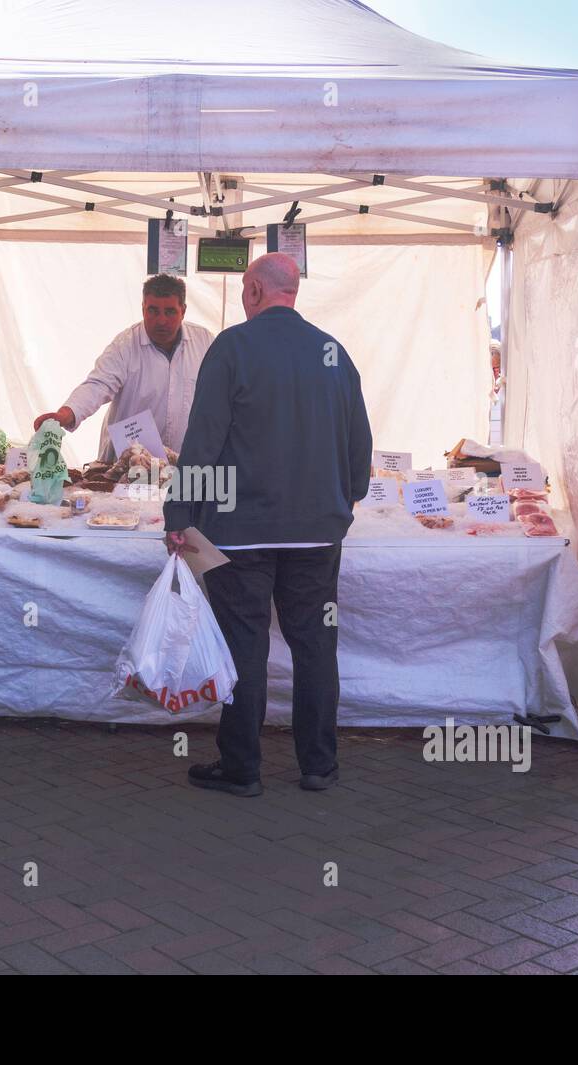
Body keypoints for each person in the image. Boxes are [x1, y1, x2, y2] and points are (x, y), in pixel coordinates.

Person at [163, 253, 372, 797]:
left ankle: (242, 767)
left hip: (240, 531)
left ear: (253, 290)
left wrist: (179, 515)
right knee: (315, 645)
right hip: (316, 532)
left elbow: (203, 440)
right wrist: (344, 501)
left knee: (243, 645)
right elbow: (360, 446)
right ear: (292, 292)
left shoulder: (232, 348)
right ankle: (319, 765)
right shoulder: (333, 353)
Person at [34, 274, 214, 461]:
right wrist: (65, 414)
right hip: (126, 466)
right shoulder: (125, 345)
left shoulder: (205, 342)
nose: (161, 320)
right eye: (153, 311)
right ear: (143, 309)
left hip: (183, 463)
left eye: (170, 312)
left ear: (183, 311)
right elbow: (98, 385)